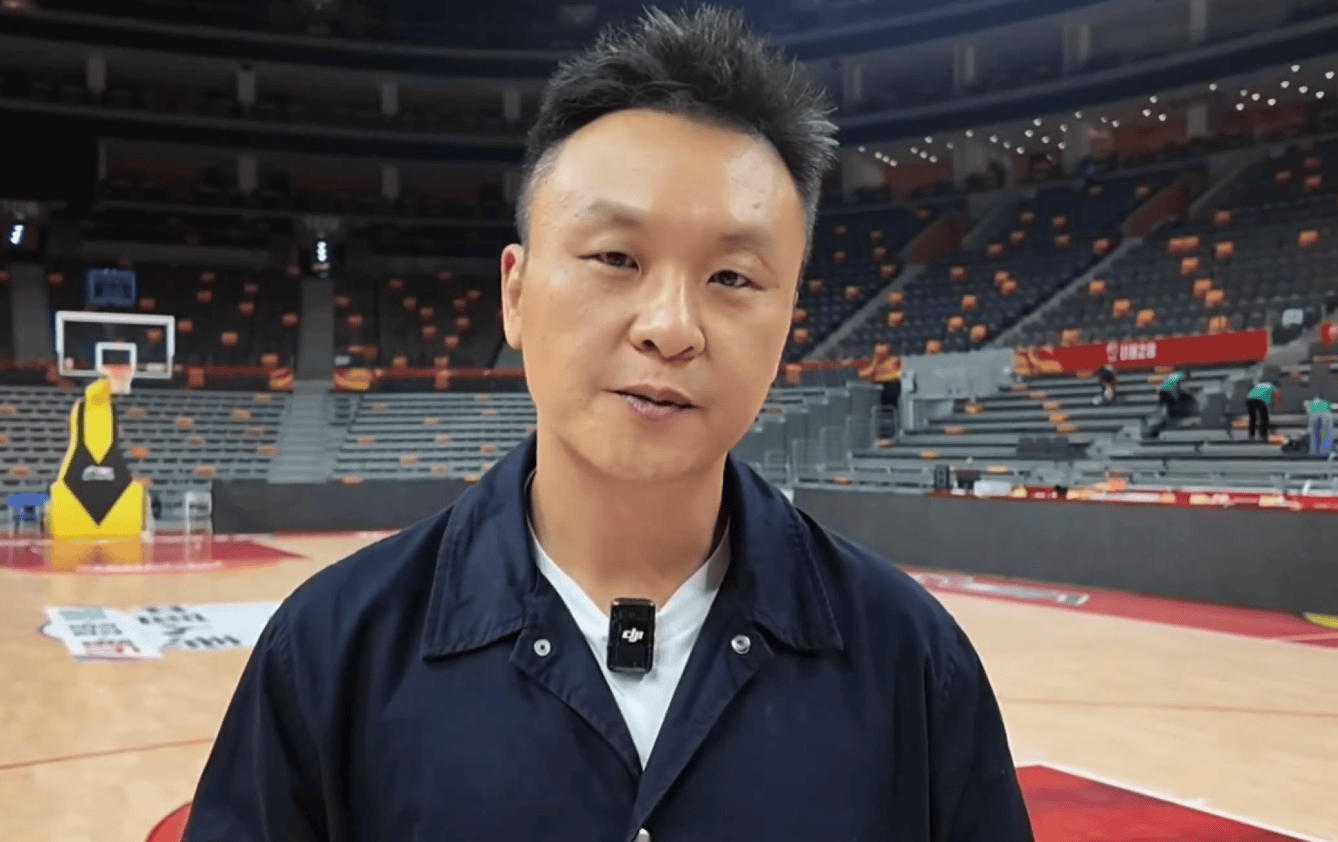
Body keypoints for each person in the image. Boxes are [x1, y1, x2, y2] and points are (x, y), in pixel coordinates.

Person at [184, 7, 1033, 841]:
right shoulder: (328, 654)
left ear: (788, 325)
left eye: (732, 278)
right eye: (616, 258)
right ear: (515, 293)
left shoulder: (916, 664)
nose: (670, 327)